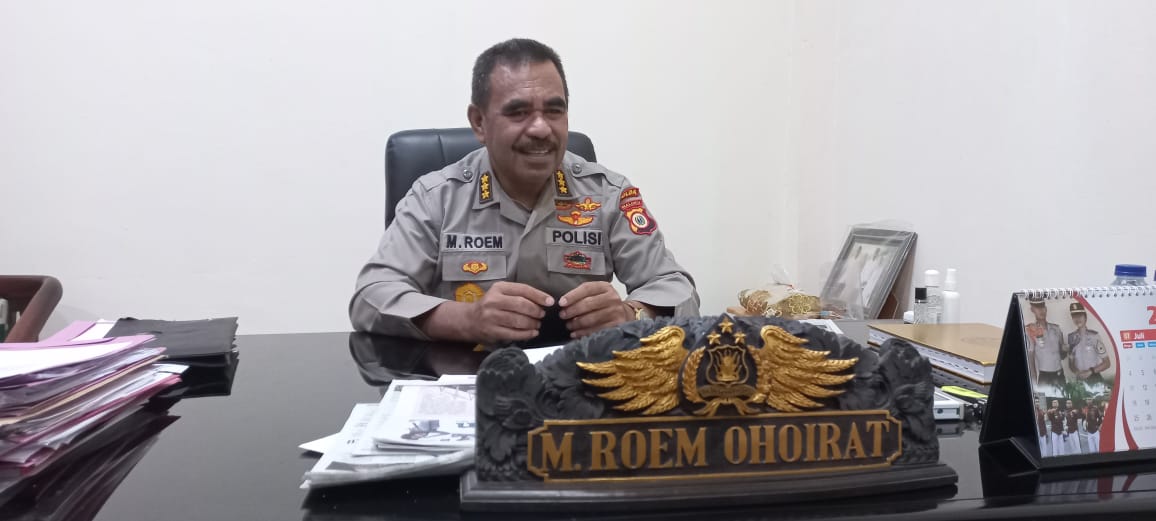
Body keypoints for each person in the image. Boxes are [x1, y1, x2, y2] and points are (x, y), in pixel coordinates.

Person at [350, 39, 699, 343]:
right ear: (479, 122)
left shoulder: (608, 194)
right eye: (518, 112)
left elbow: (679, 291)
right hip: (467, 378)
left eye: (554, 110)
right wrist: (466, 320)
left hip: (576, 381)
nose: (540, 128)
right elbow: (370, 297)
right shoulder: (435, 198)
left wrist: (630, 315)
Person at [1025, 297, 1068, 391]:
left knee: (1065, 399)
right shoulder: (1030, 330)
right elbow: (1030, 360)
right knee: (1044, 400)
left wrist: (1065, 350)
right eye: (1037, 307)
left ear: (1046, 308)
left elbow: (1062, 356)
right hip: (1045, 377)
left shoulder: (1056, 329)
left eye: (1042, 306)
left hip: (1060, 375)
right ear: (1032, 310)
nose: (1041, 310)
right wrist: (1034, 384)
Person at [1067, 303, 1111, 385]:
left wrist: (1090, 371)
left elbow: (1107, 363)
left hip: (1094, 378)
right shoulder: (1071, 338)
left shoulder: (1094, 336)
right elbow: (1071, 362)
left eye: (1080, 316)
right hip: (1080, 380)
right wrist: (1076, 372)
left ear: (1085, 317)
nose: (1077, 319)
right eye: (1074, 316)